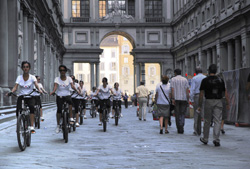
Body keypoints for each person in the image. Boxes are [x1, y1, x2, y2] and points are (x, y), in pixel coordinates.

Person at [7, 61, 42, 134]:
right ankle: (19, 123)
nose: (25, 68)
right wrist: (11, 92)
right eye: (24, 67)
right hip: (22, 96)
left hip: (30, 96)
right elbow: (15, 87)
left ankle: (32, 126)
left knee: (32, 107)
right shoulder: (19, 77)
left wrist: (39, 90)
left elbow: (36, 84)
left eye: (27, 67)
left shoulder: (32, 77)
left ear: (29, 68)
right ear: (22, 68)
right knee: (18, 110)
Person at [198, 64, 227, 147]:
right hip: (218, 101)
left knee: (207, 120)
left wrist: (200, 105)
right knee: (217, 120)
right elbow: (224, 92)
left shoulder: (205, 80)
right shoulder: (220, 80)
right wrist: (227, 102)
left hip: (208, 101)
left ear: (209, 71)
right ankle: (216, 139)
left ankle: (205, 138)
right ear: (215, 71)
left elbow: (201, 93)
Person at [50, 65, 80, 133]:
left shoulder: (69, 78)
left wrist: (77, 90)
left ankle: (70, 117)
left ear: (65, 71)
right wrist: (53, 91)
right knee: (59, 110)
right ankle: (58, 125)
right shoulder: (57, 79)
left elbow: (72, 86)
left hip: (67, 95)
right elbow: (55, 86)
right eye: (61, 70)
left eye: (63, 70)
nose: (62, 72)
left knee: (70, 103)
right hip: (60, 95)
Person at [170, 69, 189, 134]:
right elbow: (187, 90)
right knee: (182, 113)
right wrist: (188, 98)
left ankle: (179, 127)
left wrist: (172, 98)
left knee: (177, 113)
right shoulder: (185, 79)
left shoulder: (173, 79)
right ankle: (182, 125)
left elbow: (172, 89)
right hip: (183, 98)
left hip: (176, 99)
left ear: (175, 73)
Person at [190, 67, 206, 136]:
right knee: (204, 113)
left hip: (197, 95)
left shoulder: (194, 78)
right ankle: (205, 129)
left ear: (196, 72)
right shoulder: (205, 77)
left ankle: (196, 130)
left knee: (197, 113)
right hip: (204, 96)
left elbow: (192, 89)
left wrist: (192, 99)